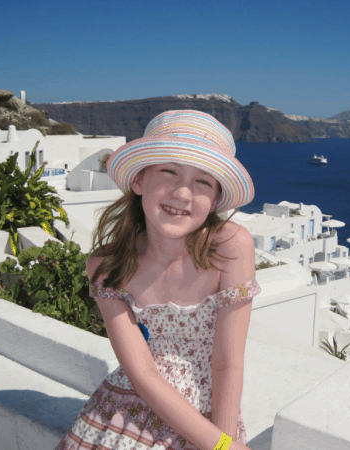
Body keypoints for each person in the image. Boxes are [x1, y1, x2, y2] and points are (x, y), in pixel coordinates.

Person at [56, 110, 260, 450]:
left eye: (203, 181)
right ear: (139, 180)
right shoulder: (106, 266)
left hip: (208, 415)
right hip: (129, 411)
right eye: (169, 172)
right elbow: (142, 373)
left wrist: (222, 442)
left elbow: (228, 362)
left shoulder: (230, 247)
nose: (182, 194)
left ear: (215, 200)